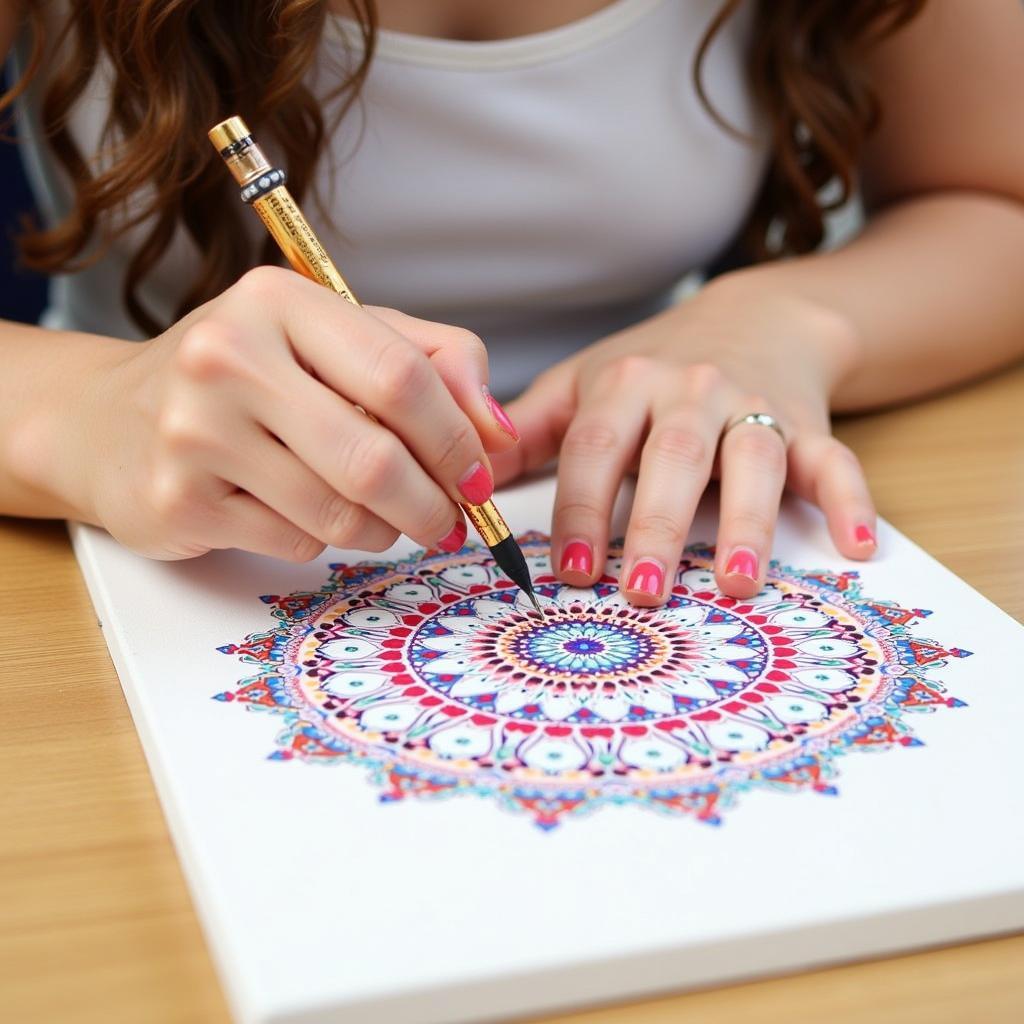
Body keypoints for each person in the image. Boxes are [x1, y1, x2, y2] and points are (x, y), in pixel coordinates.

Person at [0, 0, 1021, 607]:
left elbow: (993, 192)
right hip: (118, 552)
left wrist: (786, 322)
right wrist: (80, 415)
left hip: (675, 466)